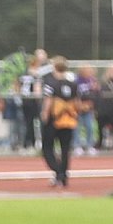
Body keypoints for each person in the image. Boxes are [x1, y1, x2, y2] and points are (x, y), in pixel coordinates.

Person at [39, 54, 79, 188]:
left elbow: (48, 101)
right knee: (65, 149)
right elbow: (77, 102)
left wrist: (44, 115)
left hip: (54, 119)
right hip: (69, 119)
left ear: (54, 67)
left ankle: (58, 172)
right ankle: (64, 176)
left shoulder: (50, 84)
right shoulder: (73, 84)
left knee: (47, 148)